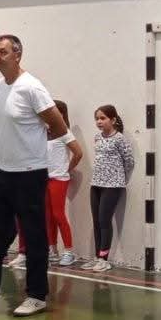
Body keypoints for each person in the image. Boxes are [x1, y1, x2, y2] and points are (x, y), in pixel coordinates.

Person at [0, 34, 69, 316]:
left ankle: (37, 296)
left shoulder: (32, 87)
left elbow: (58, 126)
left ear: (17, 55)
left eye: (2, 52)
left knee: (34, 236)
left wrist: (32, 149)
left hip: (29, 175)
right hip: (1, 173)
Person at [87, 103, 135, 272]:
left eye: (103, 118)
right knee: (96, 221)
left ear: (113, 120)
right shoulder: (97, 137)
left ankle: (104, 259)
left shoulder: (120, 139)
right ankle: (97, 257)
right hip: (96, 184)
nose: (99, 121)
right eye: (97, 119)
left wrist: (119, 178)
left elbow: (129, 161)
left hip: (113, 185)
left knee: (104, 220)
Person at [44, 99, 84, 267]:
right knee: (48, 216)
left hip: (59, 178)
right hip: (44, 178)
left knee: (58, 214)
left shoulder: (64, 132)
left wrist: (67, 169)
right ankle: (52, 250)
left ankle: (69, 252)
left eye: (54, 110)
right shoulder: (43, 131)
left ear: (61, 113)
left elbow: (78, 153)